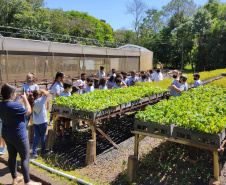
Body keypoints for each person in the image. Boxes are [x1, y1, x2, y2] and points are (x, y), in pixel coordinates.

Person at [0, 83, 41, 185]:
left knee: (12, 156)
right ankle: (27, 182)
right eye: (13, 93)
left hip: (7, 135)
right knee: (25, 157)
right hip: (19, 136)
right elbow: (28, 111)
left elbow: (9, 106)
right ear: (11, 94)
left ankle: (15, 178)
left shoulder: (2, 105)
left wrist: (15, 99)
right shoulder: (15, 106)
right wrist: (24, 98)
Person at [28, 89, 49, 158]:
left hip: (36, 122)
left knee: (36, 137)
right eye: (40, 95)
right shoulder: (39, 101)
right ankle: (43, 151)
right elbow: (47, 93)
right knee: (42, 136)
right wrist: (41, 90)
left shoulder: (32, 102)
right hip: (42, 122)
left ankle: (34, 153)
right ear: (37, 96)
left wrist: (39, 91)